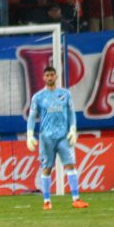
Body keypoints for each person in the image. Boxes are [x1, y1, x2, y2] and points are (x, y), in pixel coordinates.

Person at [26, 66, 88, 210]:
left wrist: (73, 129)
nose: (50, 77)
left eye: (52, 75)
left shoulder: (65, 94)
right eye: (47, 75)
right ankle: (47, 201)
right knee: (46, 168)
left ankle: (76, 199)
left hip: (63, 137)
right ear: (44, 78)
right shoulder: (38, 97)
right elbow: (31, 117)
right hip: (46, 139)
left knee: (70, 165)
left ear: (56, 76)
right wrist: (29, 134)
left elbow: (71, 113)